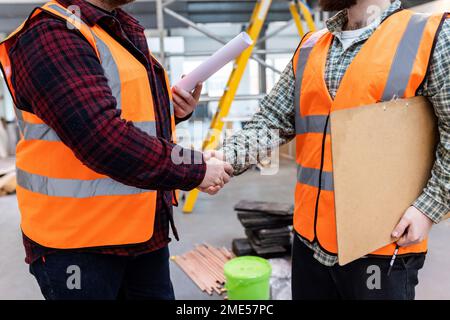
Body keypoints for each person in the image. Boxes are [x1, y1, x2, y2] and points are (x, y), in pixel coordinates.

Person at [209, 0, 449, 299]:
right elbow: (271, 121)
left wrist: (428, 208)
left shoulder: (430, 36)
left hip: (382, 243)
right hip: (310, 242)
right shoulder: (311, 45)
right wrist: (222, 159)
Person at [0, 0, 232, 300]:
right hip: (79, 247)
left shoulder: (118, 29)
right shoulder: (53, 33)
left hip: (141, 235)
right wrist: (195, 168)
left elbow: (124, 115)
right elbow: (102, 139)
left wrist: (172, 110)